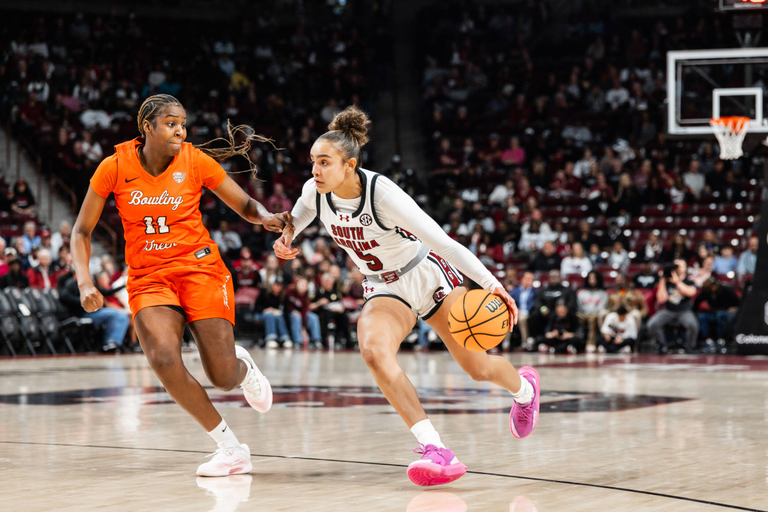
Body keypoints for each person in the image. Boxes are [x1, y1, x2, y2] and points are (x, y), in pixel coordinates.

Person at [273, 106, 538, 487]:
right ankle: (435, 448)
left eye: (324, 162)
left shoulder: (382, 194)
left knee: (478, 369)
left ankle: (525, 390)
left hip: (425, 275)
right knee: (373, 351)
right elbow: (296, 219)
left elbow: (444, 244)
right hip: (382, 286)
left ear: (349, 165)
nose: (315, 170)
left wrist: (492, 284)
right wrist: (286, 238)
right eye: (313, 161)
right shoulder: (314, 192)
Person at [70, 94, 292, 477]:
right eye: (171, 123)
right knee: (163, 358)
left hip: (199, 268)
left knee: (222, 377)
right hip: (149, 277)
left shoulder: (195, 160)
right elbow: (81, 231)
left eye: (183, 124)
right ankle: (231, 449)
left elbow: (245, 205)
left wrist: (266, 217)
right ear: (148, 127)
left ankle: (244, 370)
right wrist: (84, 281)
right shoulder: (114, 166)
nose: (180, 131)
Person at [646, 259, 699, 352]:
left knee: (693, 325)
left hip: (684, 311)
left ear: (685, 268)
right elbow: (661, 299)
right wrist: (662, 278)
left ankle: (690, 347)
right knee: (652, 324)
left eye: (681, 266)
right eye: (676, 266)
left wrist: (677, 281)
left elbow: (691, 292)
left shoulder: (689, 281)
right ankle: (662, 346)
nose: (678, 268)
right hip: (668, 310)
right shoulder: (666, 282)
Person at [693, 277, 740, 344]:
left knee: (720, 315)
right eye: (707, 287)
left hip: (726, 312)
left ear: (715, 285)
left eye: (710, 287)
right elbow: (697, 301)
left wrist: (735, 308)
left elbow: (738, 303)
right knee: (702, 316)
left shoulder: (726, 290)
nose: (708, 289)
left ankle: (721, 339)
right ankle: (708, 339)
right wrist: (695, 311)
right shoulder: (707, 292)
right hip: (713, 313)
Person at [285, 276, 322, 348]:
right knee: (297, 317)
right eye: (301, 284)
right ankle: (297, 341)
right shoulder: (290, 292)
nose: (303, 287)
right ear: (296, 285)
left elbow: (305, 311)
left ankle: (316, 339)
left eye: (305, 285)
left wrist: (303, 327)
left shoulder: (306, 298)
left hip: (302, 314)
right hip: (290, 313)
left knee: (314, 317)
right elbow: (287, 305)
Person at [254, 279, 291, 348]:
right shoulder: (264, 293)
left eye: (279, 286)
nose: (277, 287)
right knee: (270, 316)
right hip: (262, 314)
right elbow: (256, 306)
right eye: (276, 285)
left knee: (279, 316)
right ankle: (271, 338)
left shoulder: (283, 297)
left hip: (276, 315)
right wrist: (265, 310)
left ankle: (285, 338)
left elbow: (285, 310)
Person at [577, 270, 608, 350]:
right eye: (590, 278)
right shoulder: (582, 293)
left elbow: (602, 307)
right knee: (574, 316)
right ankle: (575, 342)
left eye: (594, 278)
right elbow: (579, 306)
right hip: (583, 314)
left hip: (594, 314)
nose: (592, 280)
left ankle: (591, 342)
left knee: (593, 318)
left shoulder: (602, 293)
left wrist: (591, 313)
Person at [509, 271, 539, 348]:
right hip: (516, 312)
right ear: (522, 279)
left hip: (527, 313)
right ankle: (505, 343)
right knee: (508, 317)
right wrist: (516, 310)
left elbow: (535, 304)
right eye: (526, 279)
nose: (528, 281)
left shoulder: (535, 292)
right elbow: (510, 301)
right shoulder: (515, 290)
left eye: (530, 279)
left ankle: (524, 343)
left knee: (522, 319)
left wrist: (525, 312)